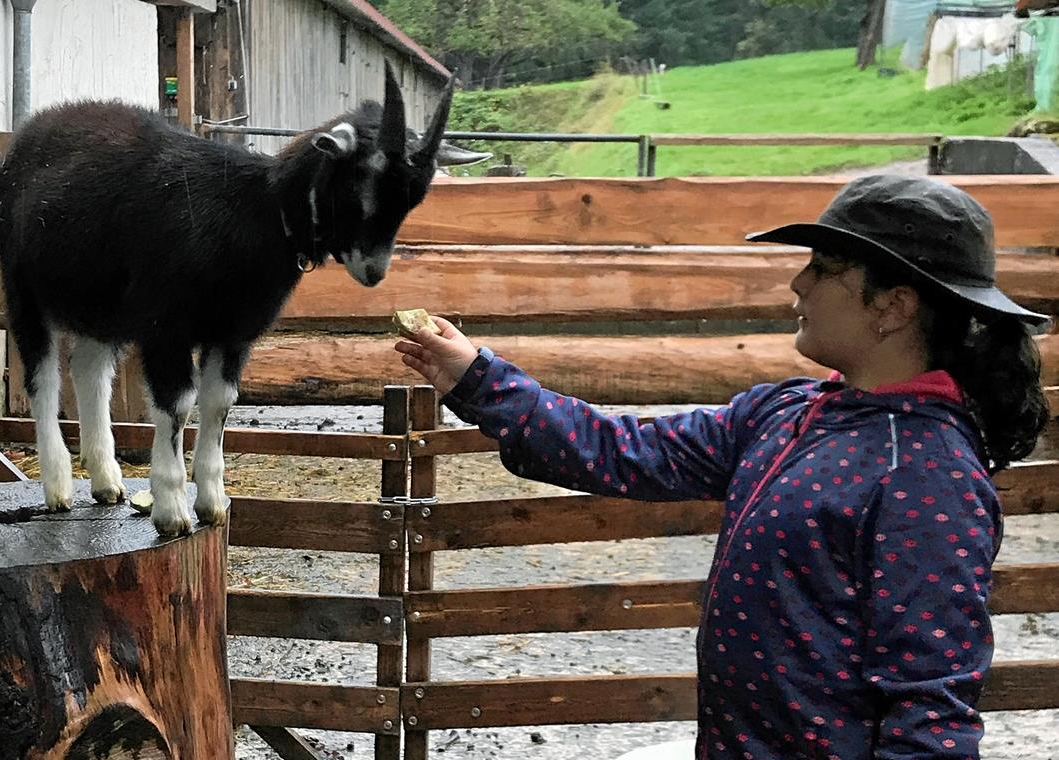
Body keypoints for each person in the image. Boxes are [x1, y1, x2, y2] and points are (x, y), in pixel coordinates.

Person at [393, 174, 1050, 759]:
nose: (798, 283)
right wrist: (479, 380)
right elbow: (625, 450)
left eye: (822, 268)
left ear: (892, 307)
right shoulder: (786, 412)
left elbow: (928, 712)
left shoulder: (927, 475)